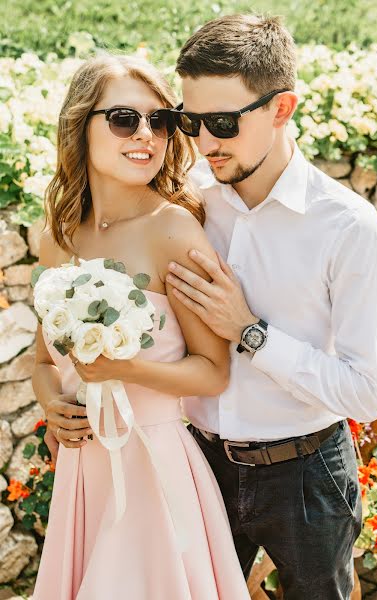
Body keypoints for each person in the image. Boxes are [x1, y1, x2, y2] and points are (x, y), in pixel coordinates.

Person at [165, 14, 377, 600]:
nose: (204, 143)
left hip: (309, 475)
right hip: (201, 465)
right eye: (192, 121)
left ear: (282, 108)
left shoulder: (346, 226)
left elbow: (367, 393)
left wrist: (250, 332)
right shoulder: (184, 200)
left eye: (221, 122)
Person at [32, 54, 251, 600]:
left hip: (154, 471)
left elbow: (213, 372)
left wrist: (121, 368)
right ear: (80, 124)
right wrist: (50, 404)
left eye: (161, 121)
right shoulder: (55, 236)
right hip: (83, 470)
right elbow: (42, 362)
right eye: (125, 118)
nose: (146, 135)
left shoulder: (172, 229)